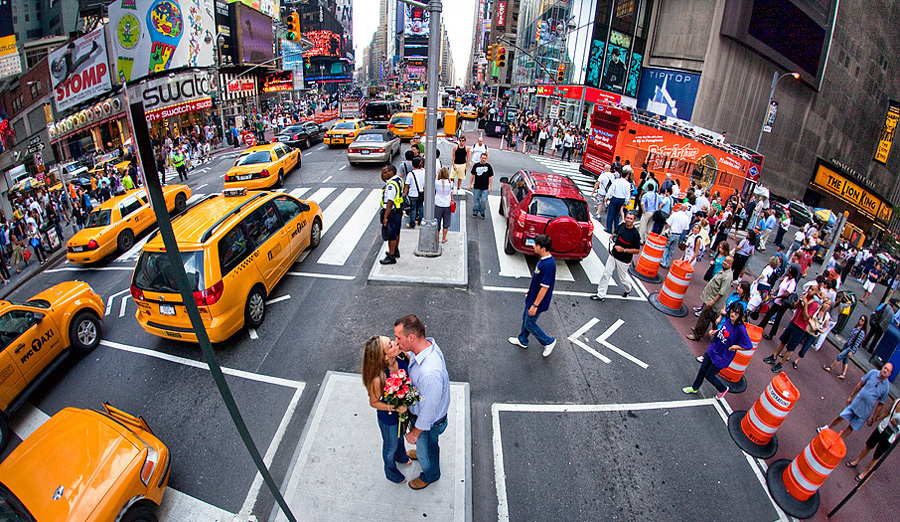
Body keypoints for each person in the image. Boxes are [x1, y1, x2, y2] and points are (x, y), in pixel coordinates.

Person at [394, 314, 450, 490]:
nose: (395, 342)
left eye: (398, 338)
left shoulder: (429, 373)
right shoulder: (427, 347)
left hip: (428, 424)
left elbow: (429, 411)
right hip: (424, 415)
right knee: (425, 447)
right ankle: (422, 450)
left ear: (411, 337)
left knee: (428, 452)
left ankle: (431, 474)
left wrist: (415, 433)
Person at [362, 335, 412, 484]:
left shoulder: (401, 357)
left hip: (402, 411)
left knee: (400, 436)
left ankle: (401, 456)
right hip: (388, 418)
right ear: (384, 357)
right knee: (390, 445)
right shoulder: (378, 379)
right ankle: (390, 471)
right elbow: (374, 402)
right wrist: (394, 407)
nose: (395, 343)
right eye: (390, 345)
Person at [682, 302, 753, 399]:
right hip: (714, 348)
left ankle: (722, 388)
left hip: (722, 356)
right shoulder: (728, 319)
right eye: (732, 311)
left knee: (709, 375)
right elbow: (723, 330)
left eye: (736, 313)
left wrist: (734, 347)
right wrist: (715, 331)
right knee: (703, 369)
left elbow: (748, 345)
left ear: (740, 315)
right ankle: (695, 387)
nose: (733, 314)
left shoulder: (740, 328)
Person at [508, 234, 557, 356]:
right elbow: (538, 281)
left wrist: (535, 305)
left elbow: (545, 288)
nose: (533, 247)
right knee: (526, 318)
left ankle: (548, 341)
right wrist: (531, 291)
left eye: (536, 245)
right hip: (532, 297)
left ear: (543, 248)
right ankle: (522, 340)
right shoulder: (543, 260)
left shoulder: (548, 265)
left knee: (529, 323)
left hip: (537, 301)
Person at [819, 364, 893, 438]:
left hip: (865, 411)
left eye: (887, 370)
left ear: (889, 374)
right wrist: (851, 396)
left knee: (851, 427)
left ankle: (838, 440)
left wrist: (873, 418)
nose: (885, 370)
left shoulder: (886, 388)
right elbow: (860, 384)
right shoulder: (872, 373)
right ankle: (827, 428)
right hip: (856, 403)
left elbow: (880, 404)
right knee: (841, 416)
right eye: (885, 368)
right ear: (882, 367)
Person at [763, 282, 820, 374]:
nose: (810, 291)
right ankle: (774, 356)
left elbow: (806, 317)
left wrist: (805, 304)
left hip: (800, 327)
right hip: (793, 322)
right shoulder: (805, 296)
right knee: (783, 341)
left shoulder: (814, 305)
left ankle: (781, 364)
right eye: (810, 288)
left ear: (816, 292)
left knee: (790, 347)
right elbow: (794, 306)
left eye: (812, 290)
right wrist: (800, 301)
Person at [846, 395, 900, 482]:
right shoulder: (896, 402)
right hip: (881, 428)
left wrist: (896, 425)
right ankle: (856, 461)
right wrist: (874, 420)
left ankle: (864, 473)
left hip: (889, 437)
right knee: (868, 446)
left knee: (876, 456)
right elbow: (886, 413)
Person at [592, 211, 641, 302]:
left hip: (624, 260)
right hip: (614, 255)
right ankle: (600, 295)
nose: (628, 220)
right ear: (625, 218)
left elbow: (637, 250)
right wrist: (613, 237)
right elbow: (616, 233)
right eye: (627, 218)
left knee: (622, 279)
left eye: (631, 219)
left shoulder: (635, 234)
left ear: (634, 220)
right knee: (606, 273)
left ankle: (628, 289)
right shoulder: (622, 225)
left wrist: (623, 250)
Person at [687, 256, 735, 340]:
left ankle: (698, 334)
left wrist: (712, 301)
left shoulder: (727, 277)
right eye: (724, 260)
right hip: (710, 298)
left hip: (713, 301)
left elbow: (721, 292)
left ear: (731, 265)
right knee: (711, 317)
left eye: (727, 262)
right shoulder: (723, 271)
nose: (724, 262)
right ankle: (703, 329)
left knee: (705, 317)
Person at [824, 315, 868, 379]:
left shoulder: (861, 332)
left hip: (850, 348)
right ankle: (843, 374)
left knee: (840, 356)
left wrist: (852, 351)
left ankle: (830, 368)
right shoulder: (857, 327)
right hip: (847, 345)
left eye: (862, 320)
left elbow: (857, 343)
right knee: (845, 360)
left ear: (864, 323)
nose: (860, 320)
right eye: (860, 319)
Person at [380, 165, 404, 265]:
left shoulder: (391, 185)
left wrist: (385, 217)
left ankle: (391, 256)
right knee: (396, 232)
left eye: (385, 172)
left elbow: (389, 203)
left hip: (391, 213)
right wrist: (383, 172)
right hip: (398, 211)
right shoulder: (398, 179)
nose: (383, 174)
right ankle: (395, 250)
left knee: (391, 235)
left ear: (391, 172)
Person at [605, 169, 632, 234]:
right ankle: (616, 229)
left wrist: (607, 197)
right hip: (622, 199)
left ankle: (609, 229)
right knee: (617, 215)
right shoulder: (628, 184)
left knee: (611, 214)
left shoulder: (616, 181)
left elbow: (611, 190)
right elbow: (628, 194)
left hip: (615, 198)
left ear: (621, 174)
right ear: (627, 176)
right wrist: (626, 202)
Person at [468, 153, 493, 220]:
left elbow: (491, 177)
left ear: (486, 159)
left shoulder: (488, 166)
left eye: (484, 158)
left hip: (485, 187)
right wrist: (470, 184)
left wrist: (490, 186)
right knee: (476, 200)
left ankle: (482, 211)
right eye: (482, 158)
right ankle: (475, 211)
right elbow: (472, 175)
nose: (483, 159)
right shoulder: (476, 165)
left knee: (483, 201)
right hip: (477, 186)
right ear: (480, 158)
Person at [404, 157, 426, 229]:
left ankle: (412, 224)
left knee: (413, 209)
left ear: (412, 165)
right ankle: (420, 221)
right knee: (420, 207)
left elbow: (407, 185)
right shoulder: (423, 172)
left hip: (412, 194)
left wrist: (404, 194)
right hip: (421, 193)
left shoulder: (410, 174)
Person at [435, 167, 453, 243]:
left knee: (437, 222)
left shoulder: (436, 182)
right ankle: (444, 238)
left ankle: (437, 238)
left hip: (438, 204)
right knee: (446, 223)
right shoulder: (450, 183)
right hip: (447, 204)